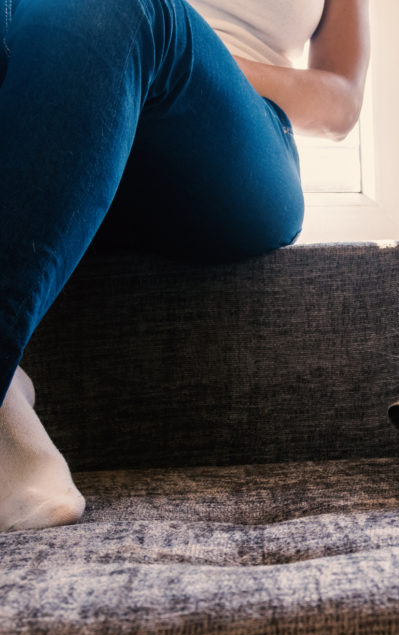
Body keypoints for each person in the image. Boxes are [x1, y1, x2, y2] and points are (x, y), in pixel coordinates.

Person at [0, 0, 369, 531]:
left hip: (227, 149)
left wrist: (163, 54)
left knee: (116, 8)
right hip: (64, 113)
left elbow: (341, 99)